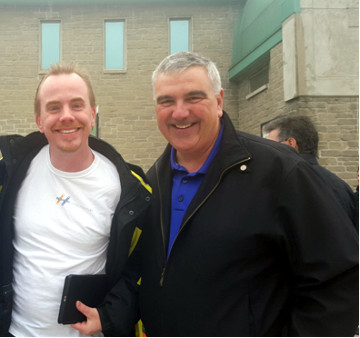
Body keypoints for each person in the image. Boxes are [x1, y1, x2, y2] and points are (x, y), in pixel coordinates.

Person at [73, 51, 359, 336]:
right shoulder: (153, 183)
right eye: (166, 101)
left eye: (194, 98)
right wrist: (109, 315)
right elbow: (145, 271)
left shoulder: (281, 173)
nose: (180, 112)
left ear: (219, 101)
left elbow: (339, 280)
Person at [0, 63, 152, 336]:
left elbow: (142, 266)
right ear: (39, 120)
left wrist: (109, 316)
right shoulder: (8, 173)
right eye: (54, 107)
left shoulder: (129, 188)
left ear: (93, 114)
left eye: (77, 105)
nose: (66, 116)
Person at [264, 115, 358, 231]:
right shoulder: (339, 185)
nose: (266, 151)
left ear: (291, 143)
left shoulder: (286, 184)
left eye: (270, 145)